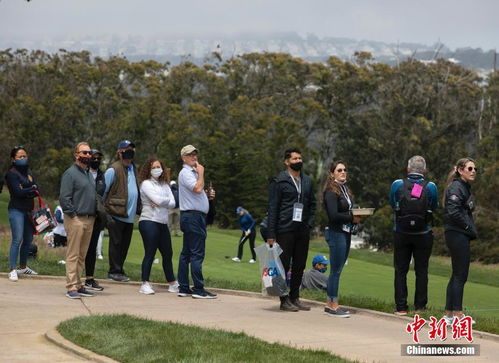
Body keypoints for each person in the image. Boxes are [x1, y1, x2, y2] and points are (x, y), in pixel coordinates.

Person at [267, 147, 316, 312]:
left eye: (300, 158)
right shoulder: (279, 181)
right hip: (284, 229)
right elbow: (273, 208)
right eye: (295, 159)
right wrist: (271, 233)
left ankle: (295, 297)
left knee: (300, 265)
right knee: (283, 265)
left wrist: (308, 223)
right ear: (286, 162)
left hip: (302, 229)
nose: (298, 161)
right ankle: (283, 300)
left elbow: (312, 205)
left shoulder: (307, 181)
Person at [389, 155, 438, 316]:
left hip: (401, 232)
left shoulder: (397, 184)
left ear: (408, 169)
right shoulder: (430, 186)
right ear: (424, 170)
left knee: (401, 270)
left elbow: (392, 202)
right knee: (421, 270)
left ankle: (401, 307)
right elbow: (434, 206)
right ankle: (419, 307)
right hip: (423, 233)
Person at [177, 145, 217, 299]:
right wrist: (201, 173)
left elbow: (198, 192)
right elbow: (197, 189)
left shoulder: (191, 173)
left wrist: (207, 196)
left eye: (195, 154)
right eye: (190, 155)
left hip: (192, 216)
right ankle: (199, 289)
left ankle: (184, 287)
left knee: (186, 253)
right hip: (193, 217)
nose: (194, 157)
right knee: (196, 253)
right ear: (183, 158)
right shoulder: (186, 173)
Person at [323, 160, 362, 317]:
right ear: (332, 174)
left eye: (345, 169)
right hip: (336, 233)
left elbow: (347, 211)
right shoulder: (331, 192)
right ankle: (333, 305)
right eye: (339, 170)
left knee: (338, 270)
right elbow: (333, 215)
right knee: (335, 271)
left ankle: (330, 303)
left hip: (345, 232)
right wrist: (351, 217)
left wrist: (356, 216)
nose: (343, 172)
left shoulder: (344, 189)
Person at [442, 158, 478, 325]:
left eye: (475, 169)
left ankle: (449, 314)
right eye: (470, 168)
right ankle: (458, 315)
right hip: (457, 234)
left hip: (458, 233)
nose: (473, 171)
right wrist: (467, 227)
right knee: (460, 274)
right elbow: (453, 212)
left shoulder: (463, 187)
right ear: (460, 170)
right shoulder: (456, 187)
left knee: (456, 274)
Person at [60, 142, 97, 299]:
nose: (87, 155)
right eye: (84, 152)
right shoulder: (70, 174)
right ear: (76, 154)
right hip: (75, 218)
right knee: (73, 254)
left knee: (82, 255)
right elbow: (64, 197)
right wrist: (73, 216)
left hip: (89, 218)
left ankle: (79, 284)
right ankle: (71, 287)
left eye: (89, 153)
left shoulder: (88, 173)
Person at [138, 157, 179, 295]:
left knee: (167, 253)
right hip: (149, 221)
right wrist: (162, 201)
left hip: (162, 223)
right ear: (149, 170)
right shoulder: (146, 184)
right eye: (154, 167)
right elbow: (158, 200)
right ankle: (145, 283)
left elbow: (173, 203)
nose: (157, 169)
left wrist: (162, 201)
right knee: (150, 252)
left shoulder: (165, 185)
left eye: (159, 166)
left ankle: (172, 283)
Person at [104, 140, 141, 282]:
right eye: (126, 150)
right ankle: (114, 271)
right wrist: (105, 214)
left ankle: (120, 270)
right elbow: (103, 193)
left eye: (131, 150)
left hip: (129, 215)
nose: (129, 154)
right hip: (115, 213)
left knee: (124, 245)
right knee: (116, 244)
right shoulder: (113, 169)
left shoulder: (133, 168)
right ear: (119, 152)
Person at [5, 146, 39, 281]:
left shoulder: (28, 172)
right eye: (20, 157)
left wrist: (27, 188)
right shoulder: (11, 174)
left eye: (25, 156)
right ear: (13, 159)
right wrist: (31, 188)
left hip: (29, 210)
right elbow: (17, 192)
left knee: (28, 240)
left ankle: (23, 266)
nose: (23, 158)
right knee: (17, 239)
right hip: (16, 210)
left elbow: (37, 189)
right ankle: (12, 269)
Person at [84, 149, 106, 291]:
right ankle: (74, 279)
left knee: (92, 248)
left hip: (96, 216)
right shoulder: (83, 173)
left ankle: (89, 278)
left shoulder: (102, 175)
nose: (96, 160)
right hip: (83, 214)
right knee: (81, 248)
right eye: (94, 157)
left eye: (99, 158)